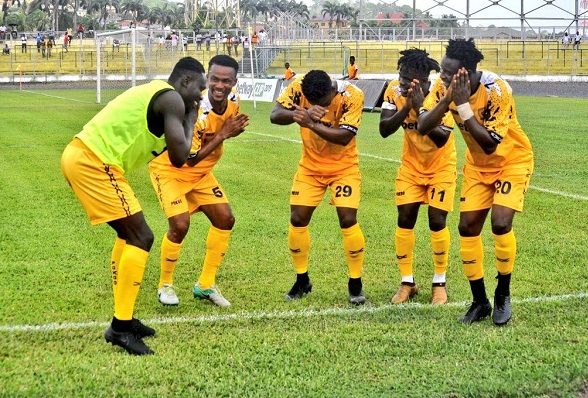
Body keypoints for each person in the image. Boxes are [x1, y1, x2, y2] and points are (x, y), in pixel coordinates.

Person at [61, 57, 207, 355]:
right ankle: (120, 328)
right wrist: (191, 119)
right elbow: (180, 157)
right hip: (94, 162)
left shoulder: (161, 94)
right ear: (186, 81)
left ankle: (124, 318)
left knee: (130, 236)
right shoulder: (173, 101)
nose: (200, 97)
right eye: (199, 89)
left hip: (85, 156)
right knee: (142, 237)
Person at [418, 38, 534, 326]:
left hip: (511, 161)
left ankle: (503, 295)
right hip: (478, 168)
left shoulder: (497, 89)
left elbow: (490, 144)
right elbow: (423, 126)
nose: (442, 77)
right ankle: (480, 301)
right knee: (467, 227)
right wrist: (447, 99)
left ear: (467, 72)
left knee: (500, 223)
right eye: (442, 71)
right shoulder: (443, 88)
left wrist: (463, 106)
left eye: (448, 73)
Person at [149, 55, 249, 307]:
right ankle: (165, 285)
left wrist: (227, 131)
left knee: (225, 219)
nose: (219, 85)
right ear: (207, 77)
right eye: (214, 79)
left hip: (201, 174)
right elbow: (188, 159)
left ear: (234, 82)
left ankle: (205, 285)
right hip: (171, 169)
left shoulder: (234, 100)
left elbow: (219, 132)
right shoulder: (194, 107)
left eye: (226, 81)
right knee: (180, 225)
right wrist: (225, 133)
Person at [270, 70, 367, 305]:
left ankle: (355, 282)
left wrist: (311, 124)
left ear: (332, 91)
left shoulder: (353, 95)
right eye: (312, 103)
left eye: (323, 103)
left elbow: (344, 137)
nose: (319, 107)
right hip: (310, 169)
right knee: (297, 219)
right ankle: (302, 280)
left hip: (343, 168)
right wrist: (299, 113)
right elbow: (275, 115)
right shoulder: (299, 85)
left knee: (347, 219)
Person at [379, 48, 456, 305]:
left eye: (407, 79)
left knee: (437, 220)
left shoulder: (441, 93)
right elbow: (384, 129)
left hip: (441, 167)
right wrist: (407, 108)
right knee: (405, 218)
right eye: (400, 76)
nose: (401, 82)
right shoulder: (393, 90)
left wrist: (421, 106)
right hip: (411, 168)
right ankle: (407, 283)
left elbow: (442, 137)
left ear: (423, 82)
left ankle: (439, 283)